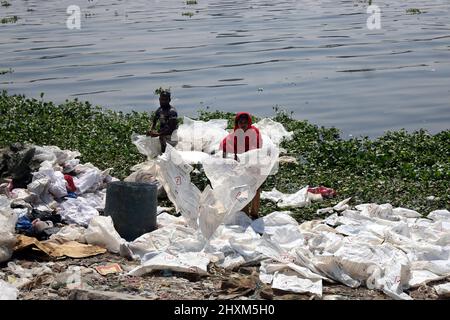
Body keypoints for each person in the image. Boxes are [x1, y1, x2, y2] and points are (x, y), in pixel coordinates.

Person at [220, 112, 263, 219]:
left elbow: (256, 147)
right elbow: (226, 146)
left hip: (254, 165)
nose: (242, 125)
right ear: (237, 123)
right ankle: (245, 213)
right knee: (242, 188)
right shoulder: (234, 135)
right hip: (241, 166)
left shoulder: (254, 132)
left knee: (255, 188)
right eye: (240, 122)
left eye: (245, 122)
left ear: (249, 122)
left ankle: (254, 213)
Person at [147, 89, 179, 153]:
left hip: (171, 136)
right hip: (162, 135)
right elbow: (154, 121)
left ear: (169, 100)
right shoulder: (159, 110)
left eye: (165, 100)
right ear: (159, 99)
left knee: (169, 153)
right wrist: (151, 129)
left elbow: (171, 128)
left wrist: (158, 134)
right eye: (161, 99)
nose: (163, 101)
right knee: (163, 150)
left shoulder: (172, 111)